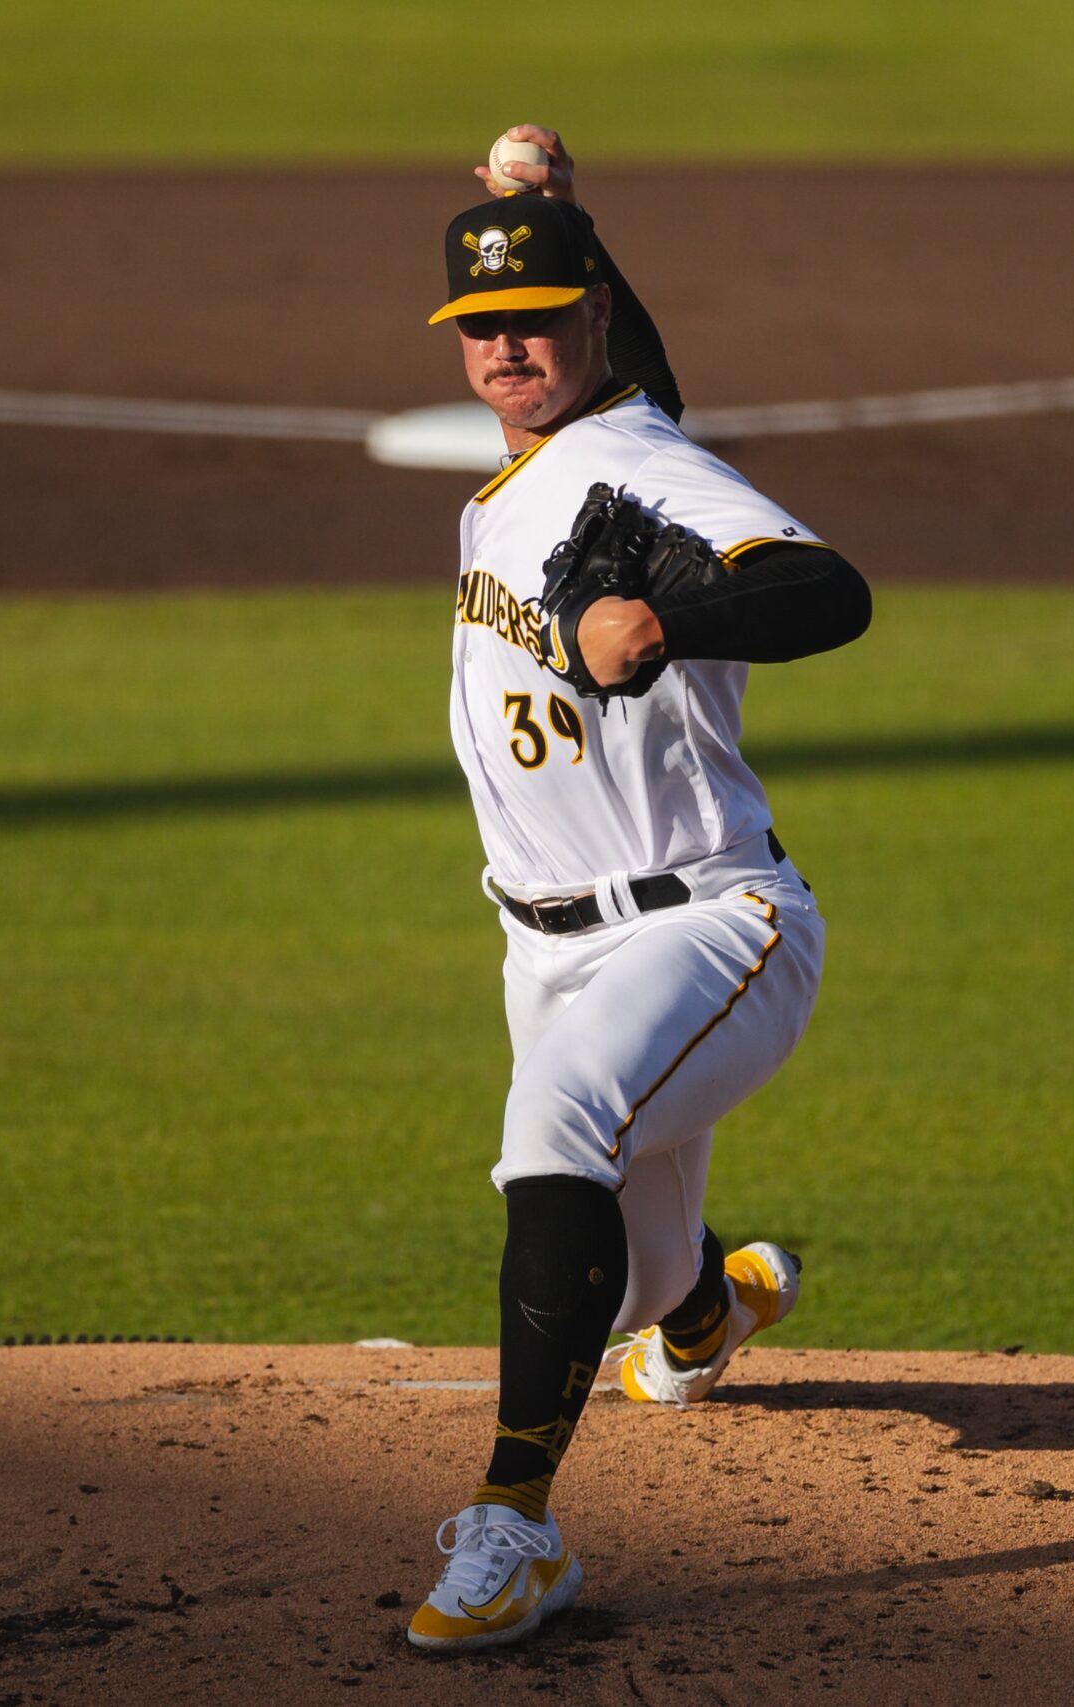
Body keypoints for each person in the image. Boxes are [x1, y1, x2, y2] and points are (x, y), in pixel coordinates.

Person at [405, 126, 874, 1653]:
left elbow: (829, 590)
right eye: (482, 328)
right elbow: (615, 365)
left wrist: (665, 617)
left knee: (553, 1132)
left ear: (591, 315)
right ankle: (702, 1310)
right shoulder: (537, 460)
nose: (505, 350)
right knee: (628, 1268)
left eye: (535, 317)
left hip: (710, 923)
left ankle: (516, 1528)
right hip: (541, 949)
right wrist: (541, 216)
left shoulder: (650, 466)